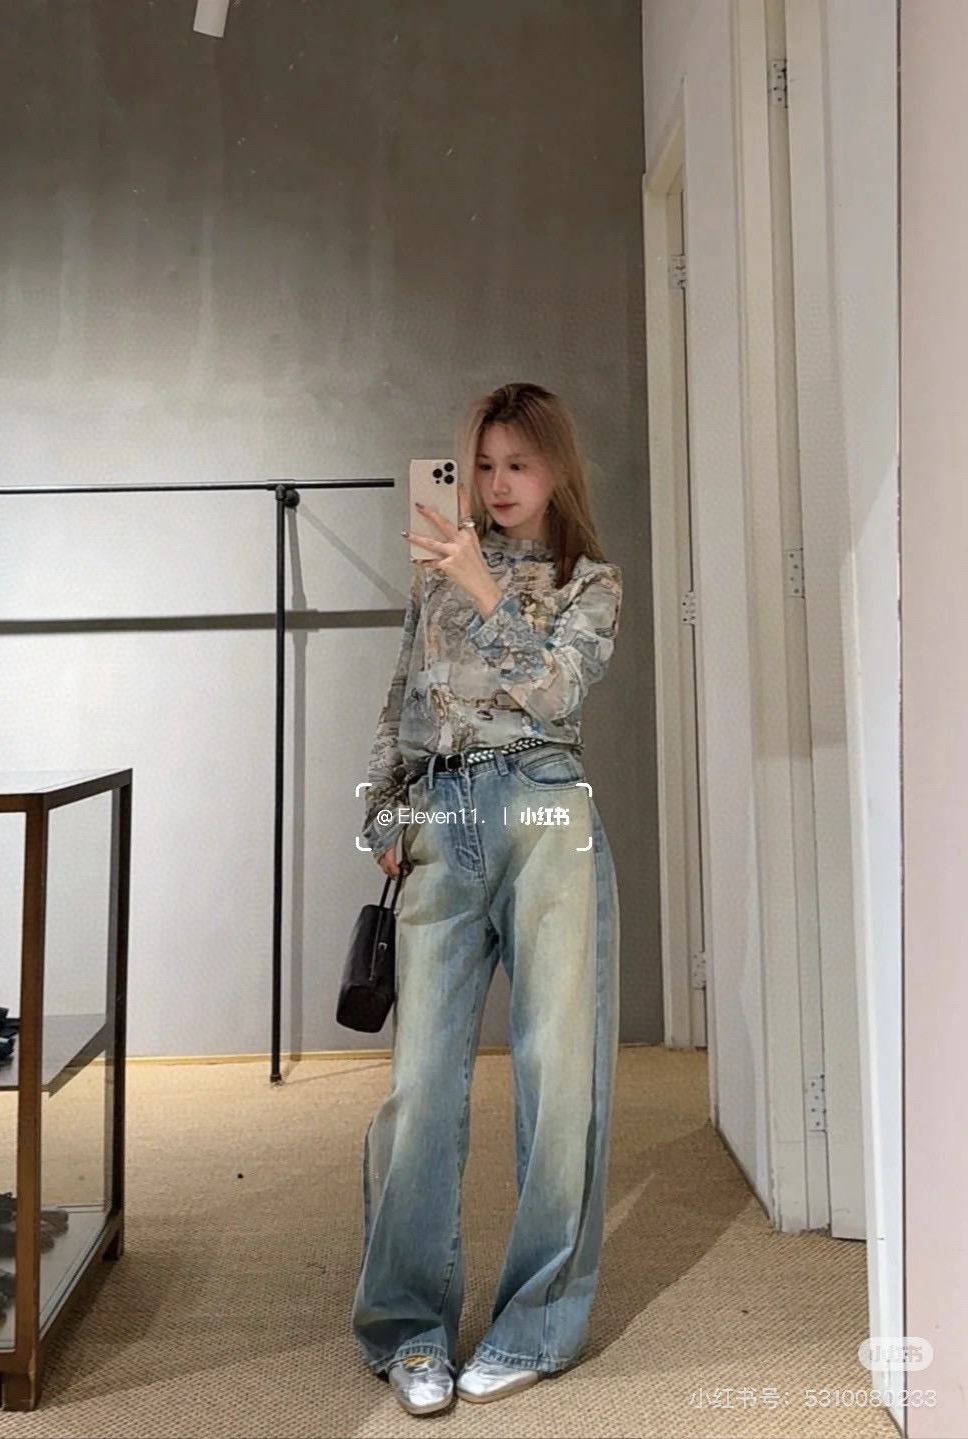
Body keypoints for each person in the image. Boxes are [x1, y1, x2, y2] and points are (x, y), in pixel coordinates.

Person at [352, 382, 623, 1417]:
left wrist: (480, 586)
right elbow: (402, 699)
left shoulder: (588, 580)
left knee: (558, 1079)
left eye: (517, 463)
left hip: (547, 814)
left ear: (555, 470)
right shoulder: (435, 575)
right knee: (419, 1084)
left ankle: (536, 1321)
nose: (497, 482)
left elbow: (555, 691)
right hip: (444, 812)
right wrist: (382, 814)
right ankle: (407, 1326)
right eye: (482, 464)